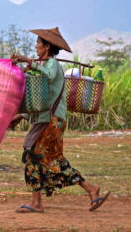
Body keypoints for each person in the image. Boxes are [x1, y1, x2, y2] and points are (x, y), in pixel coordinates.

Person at [10, 27, 110, 213]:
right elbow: (39, 99)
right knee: (46, 158)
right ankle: (89, 189)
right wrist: (21, 116)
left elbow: (48, 76)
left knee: (39, 157)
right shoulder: (43, 65)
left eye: (39, 44)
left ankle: (42, 202)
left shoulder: (52, 65)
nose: (36, 46)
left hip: (52, 120)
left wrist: (28, 61)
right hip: (47, 119)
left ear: (47, 47)